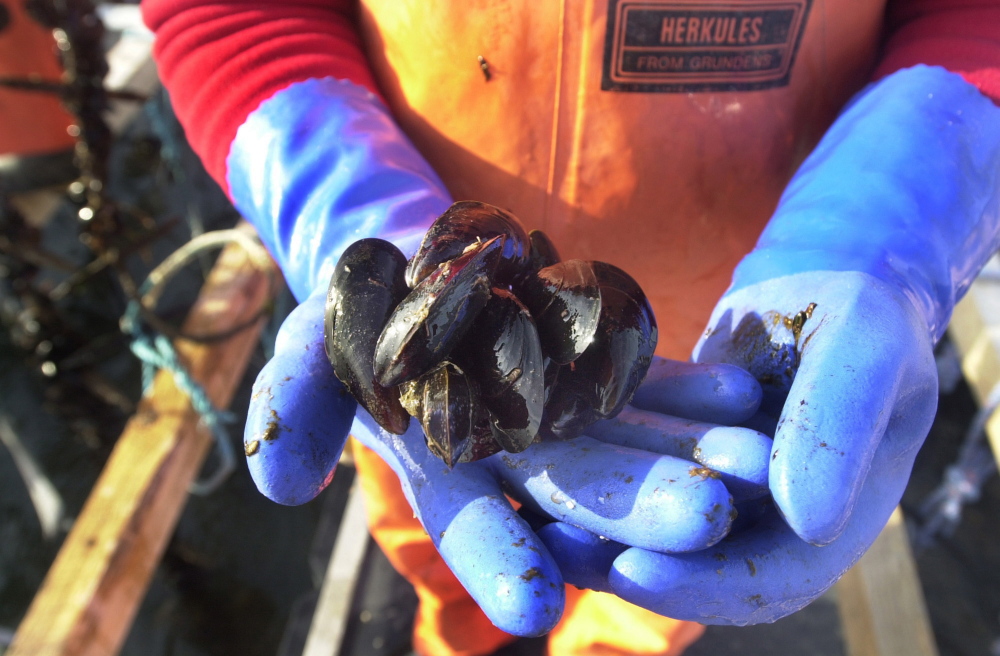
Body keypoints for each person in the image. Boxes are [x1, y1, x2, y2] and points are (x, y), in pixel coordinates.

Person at [142, 1, 1000, 654]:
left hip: (734, 336)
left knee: (658, 588)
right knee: (451, 555)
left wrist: (884, 225)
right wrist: (348, 207)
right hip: (429, 291)